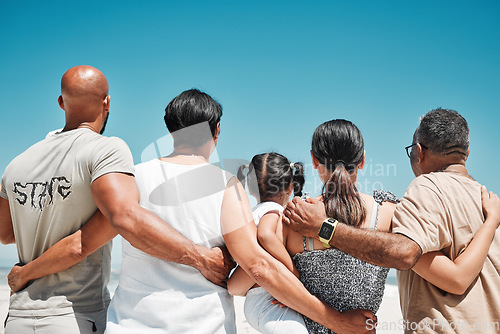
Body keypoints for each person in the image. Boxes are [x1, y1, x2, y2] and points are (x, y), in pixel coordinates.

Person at [6, 88, 378, 333]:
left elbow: (82, 244)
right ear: (216, 132)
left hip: (130, 325)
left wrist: (26, 272)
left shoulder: (132, 177)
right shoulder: (224, 185)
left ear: (171, 130)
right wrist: (335, 321)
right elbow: (259, 265)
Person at [0, 66, 233, 334]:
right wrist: (202, 258)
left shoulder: (16, 164)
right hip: (75, 314)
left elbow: (6, 234)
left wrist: (30, 263)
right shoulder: (105, 149)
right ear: (107, 102)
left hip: (18, 316)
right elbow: (121, 219)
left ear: (61, 102)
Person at [283, 109, 500, 333]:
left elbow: (271, 278)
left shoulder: (296, 218)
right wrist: (491, 221)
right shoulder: (388, 214)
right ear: (363, 160)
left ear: (313, 159)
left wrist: (323, 228)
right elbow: (453, 275)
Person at [228, 152, 309, 333]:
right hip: (268, 300)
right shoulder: (273, 210)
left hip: (255, 297)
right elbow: (265, 235)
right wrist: (294, 275)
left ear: (250, 188)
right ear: (290, 186)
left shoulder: (252, 214)